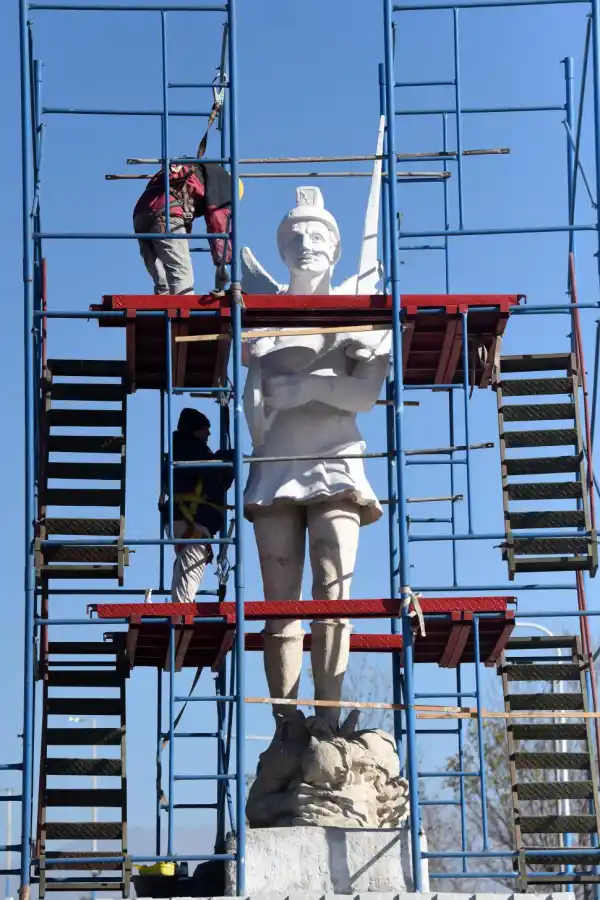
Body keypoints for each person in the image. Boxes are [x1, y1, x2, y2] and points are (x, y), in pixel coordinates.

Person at [241, 187, 390, 732]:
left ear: (336, 246)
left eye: (318, 235)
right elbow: (252, 400)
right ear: (281, 249)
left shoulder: (359, 309)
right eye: (295, 237)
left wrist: (303, 387)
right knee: (279, 599)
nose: (306, 244)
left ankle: (325, 721)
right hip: (276, 463)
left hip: (336, 459)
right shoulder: (262, 315)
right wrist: (258, 385)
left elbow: (366, 394)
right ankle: (286, 725)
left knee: (334, 588)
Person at [163, 408, 234, 603]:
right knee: (191, 564)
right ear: (195, 429)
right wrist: (229, 459)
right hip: (191, 520)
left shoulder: (182, 450)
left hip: (184, 518)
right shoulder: (191, 450)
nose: (209, 434)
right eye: (205, 429)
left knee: (185, 565)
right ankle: (181, 612)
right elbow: (217, 476)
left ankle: (180, 606)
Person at [133, 162, 235, 295]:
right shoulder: (223, 183)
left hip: (141, 215)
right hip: (167, 214)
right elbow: (218, 221)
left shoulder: (197, 170)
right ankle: (181, 315)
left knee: (163, 282)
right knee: (181, 274)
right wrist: (221, 264)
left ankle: (166, 312)